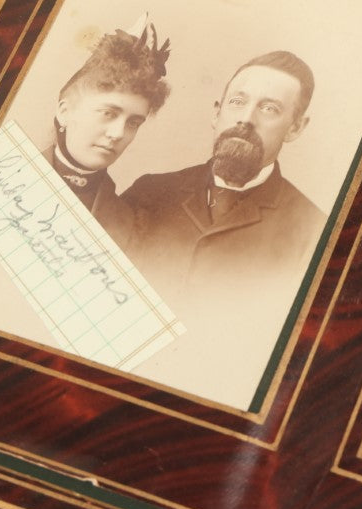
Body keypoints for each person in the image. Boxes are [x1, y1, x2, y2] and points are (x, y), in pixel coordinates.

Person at [123, 50, 327, 325]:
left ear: (295, 128)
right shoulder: (149, 192)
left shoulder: (313, 233)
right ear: (216, 113)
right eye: (237, 101)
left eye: (270, 109)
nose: (246, 119)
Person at [49, 17, 171, 248]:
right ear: (65, 111)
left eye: (134, 123)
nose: (118, 133)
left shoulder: (131, 227)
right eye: (108, 113)